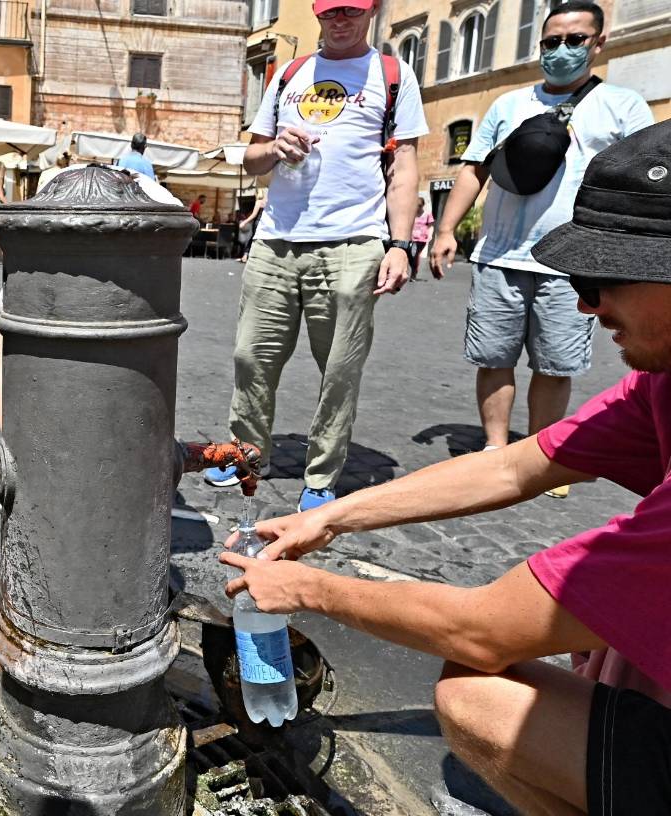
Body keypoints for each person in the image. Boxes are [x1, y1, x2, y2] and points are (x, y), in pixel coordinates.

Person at [223, 121, 671, 815]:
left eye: (604, 276)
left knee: (475, 694)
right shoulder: (660, 381)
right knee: (613, 650)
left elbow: (482, 629)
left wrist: (306, 589)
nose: (587, 302)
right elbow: (513, 468)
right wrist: (332, 519)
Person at [203, 0, 426, 512]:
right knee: (251, 356)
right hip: (276, 240)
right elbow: (252, 159)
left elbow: (405, 165)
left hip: (354, 241)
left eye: (351, 11)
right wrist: (274, 148)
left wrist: (400, 245)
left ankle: (321, 474)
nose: (340, 20)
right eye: (330, 12)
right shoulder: (289, 74)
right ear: (317, 15)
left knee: (340, 368)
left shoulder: (392, 75)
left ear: (370, 12)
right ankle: (245, 454)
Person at [428, 1, 652, 498]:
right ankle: (494, 449)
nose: (561, 50)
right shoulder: (508, 104)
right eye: (552, 41)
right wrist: (445, 230)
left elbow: (638, 179)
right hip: (499, 255)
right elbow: (475, 168)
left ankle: (540, 453)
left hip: (572, 263)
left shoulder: (623, 105)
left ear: (598, 43)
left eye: (575, 40)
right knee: (494, 356)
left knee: (555, 364)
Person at [236, 191, 266, 262]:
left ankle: (246, 255)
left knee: (253, 238)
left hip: (257, 223)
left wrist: (244, 222)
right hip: (264, 224)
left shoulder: (259, 202)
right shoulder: (267, 203)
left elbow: (254, 215)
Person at [409, 197, 434, 280]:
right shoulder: (412, 214)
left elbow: (430, 226)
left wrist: (430, 235)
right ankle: (414, 269)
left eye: (419, 205)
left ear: (423, 205)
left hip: (421, 239)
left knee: (415, 254)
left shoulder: (427, 214)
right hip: (412, 238)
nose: (418, 207)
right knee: (411, 255)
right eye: (416, 205)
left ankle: (413, 274)